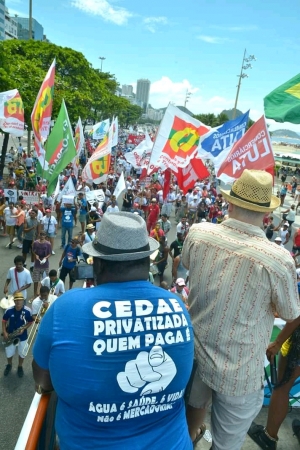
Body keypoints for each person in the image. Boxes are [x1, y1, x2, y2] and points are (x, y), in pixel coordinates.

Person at [32, 212, 194, 449]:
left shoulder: (65, 307)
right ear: (148, 261)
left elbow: (43, 380)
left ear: (97, 263)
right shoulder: (178, 305)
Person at [182, 170, 300, 450]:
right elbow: (290, 311)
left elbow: (187, 264)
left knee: (187, 428)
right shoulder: (278, 259)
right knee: (226, 445)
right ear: (267, 214)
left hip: (195, 356)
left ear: (230, 203)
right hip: (241, 372)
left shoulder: (198, 233)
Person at [2, 292, 33, 377]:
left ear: (23, 300)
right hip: (10, 335)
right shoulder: (9, 310)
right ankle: (9, 364)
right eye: (16, 300)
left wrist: (24, 328)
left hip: (22, 336)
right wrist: (4, 332)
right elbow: (4, 321)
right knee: (9, 353)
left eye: (20, 300)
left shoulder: (27, 311)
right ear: (14, 301)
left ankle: (20, 366)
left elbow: (30, 321)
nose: (18, 302)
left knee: (22, 353)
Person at [32, 231, 52, 298]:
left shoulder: (48, 244)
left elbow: (50, 253)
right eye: (41, 234)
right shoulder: (35, 243)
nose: (42, 236)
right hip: (37, 264)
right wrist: (36, 255)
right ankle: (35, 294)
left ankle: (43, 294)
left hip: (45, 265)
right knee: (36, 280)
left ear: (45, 236)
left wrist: (45, 258)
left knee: (44, 281)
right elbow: (33, 251)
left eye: (43, 235)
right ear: (39, 235)